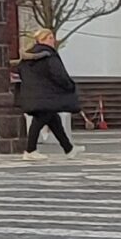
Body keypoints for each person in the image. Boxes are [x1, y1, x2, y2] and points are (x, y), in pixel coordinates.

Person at [16, 29, 78, 158]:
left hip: (35, 93)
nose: (53, 40)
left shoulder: (28, 56)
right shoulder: (48, 55)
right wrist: (69, 85)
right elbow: (58, 74)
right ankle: (30, 150)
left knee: (54, 120)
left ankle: (69, 148)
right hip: (47, 94)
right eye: (50, 38)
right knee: (39, 120)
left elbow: (21, 72)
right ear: (42, 39)